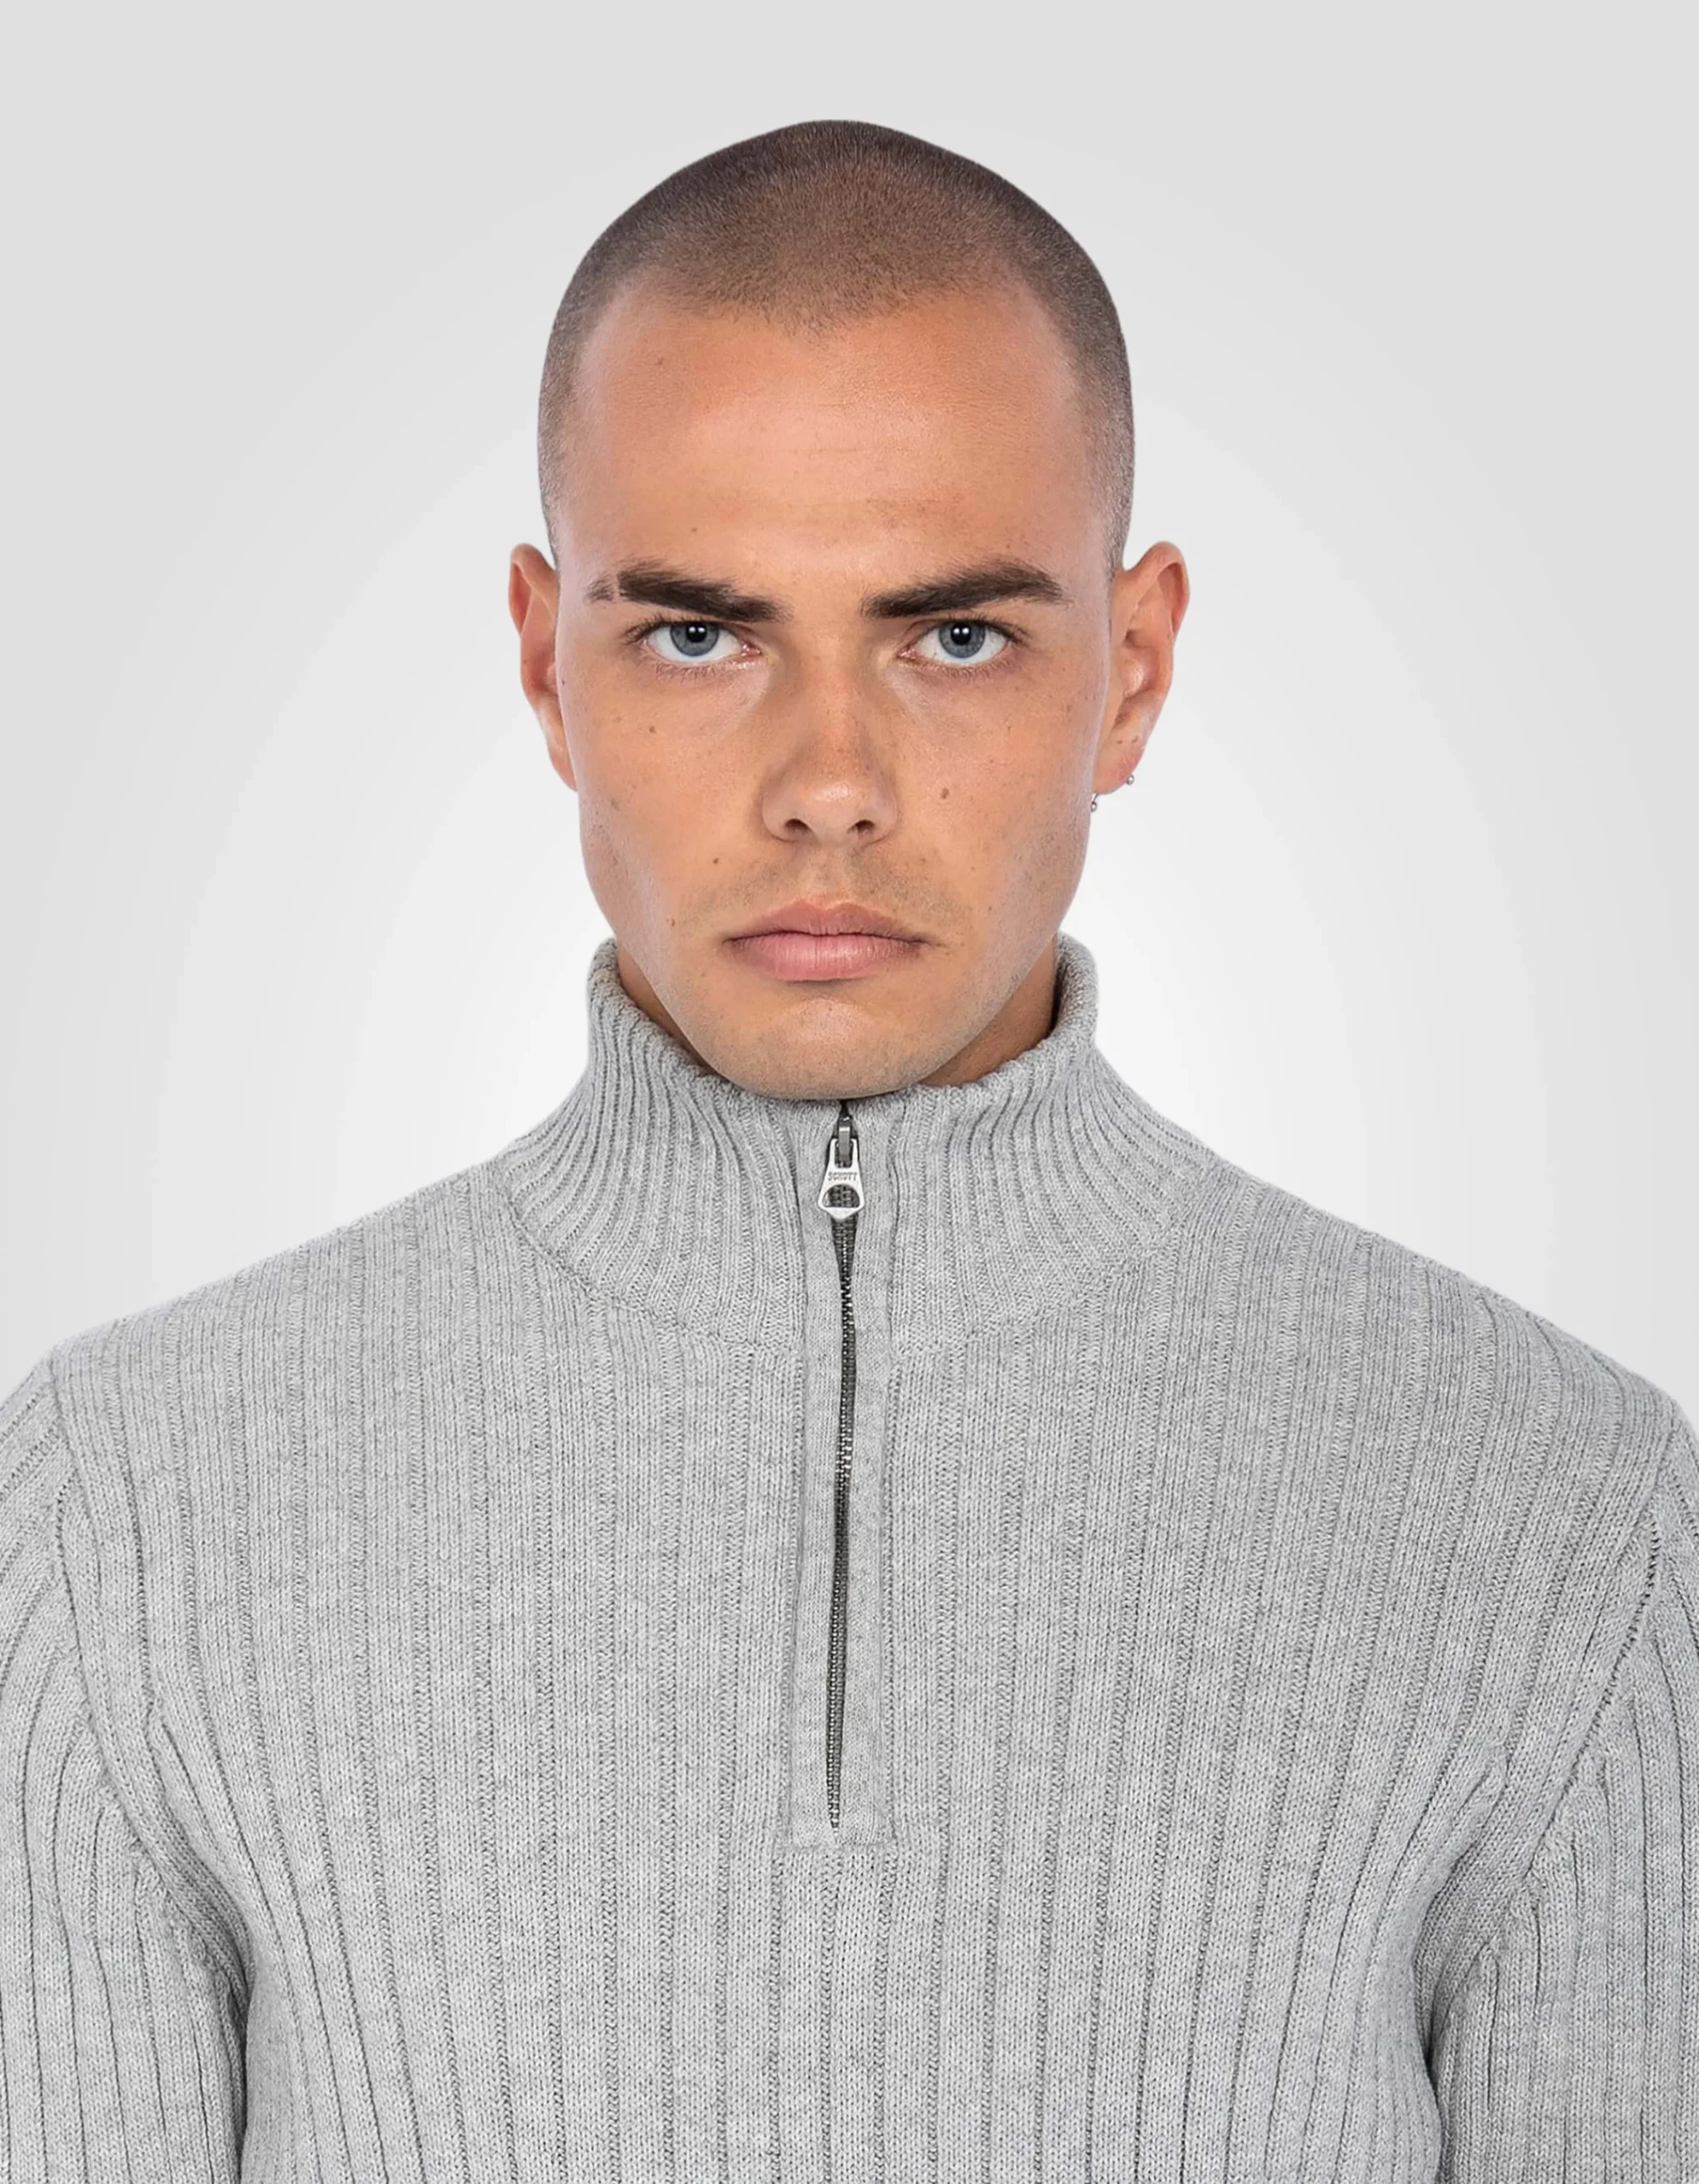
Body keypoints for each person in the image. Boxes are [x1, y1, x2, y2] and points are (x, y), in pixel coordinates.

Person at [1, 118, 1693, 2182]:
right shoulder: (125, 1505)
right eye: (698, 636)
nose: (827, 783)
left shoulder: (1560, 1514)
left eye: (952, 637)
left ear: (1133, 671)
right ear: (544, 662)